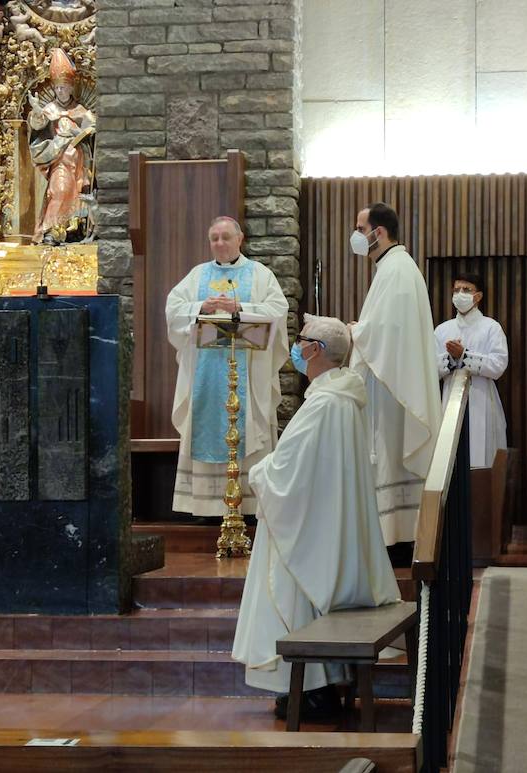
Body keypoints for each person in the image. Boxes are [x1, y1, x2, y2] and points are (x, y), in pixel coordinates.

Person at [232, 315, 402, 719]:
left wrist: (257, 472)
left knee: (295, 594)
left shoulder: (325, 402)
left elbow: (287, 469)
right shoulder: (345, 396)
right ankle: (312, 687)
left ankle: (309, 690)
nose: (297, 346)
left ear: (316, 351)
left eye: (302, 340)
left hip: (308, 523)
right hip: (324, 518)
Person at [166, 216, 288, 520]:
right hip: (206, 377)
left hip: (248, 372)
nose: (219, 243)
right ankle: (209, 509)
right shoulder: (197, 276)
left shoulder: (260, 275)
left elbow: (278, 310)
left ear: (240, 239)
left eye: (225, 237)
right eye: (214, 238)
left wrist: (241, 308)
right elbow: (173, 310)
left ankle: (248, 507)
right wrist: (200, 308)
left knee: (250, 428)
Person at [347, 203, 442, 550]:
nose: (356, 236)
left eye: (360, 228)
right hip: (391, 382)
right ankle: (394, 537)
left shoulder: (398, 270)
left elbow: (388, 331)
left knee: (391, 457)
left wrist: (358, 332)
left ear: (379, 232)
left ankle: (398, 540)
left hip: (393, 390)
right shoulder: (393, 267)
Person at [434, 273, 509, 469]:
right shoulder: (442, 330)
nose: (460, 294)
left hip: (481, 400)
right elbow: (431, 369)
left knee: (480, 460)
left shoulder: (491, 327)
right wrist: (451, 359)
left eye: (466, 290)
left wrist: (465, 356)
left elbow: (498, 365)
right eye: (456, 290)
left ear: (478, 296)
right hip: (450, 399)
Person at [29, 48, 96, 242]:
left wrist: (80, 132)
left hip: (79, 162)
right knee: (59, 190)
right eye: (57, 87)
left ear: (71, 88)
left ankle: (73, 231)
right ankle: (50, 230)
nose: (61, 91)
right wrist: (36, 110)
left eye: (64, 87)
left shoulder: (80, 110)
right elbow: (38, 125)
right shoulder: (49, 110)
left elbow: (92, 128)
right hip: (59, 160)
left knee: (78, 194)